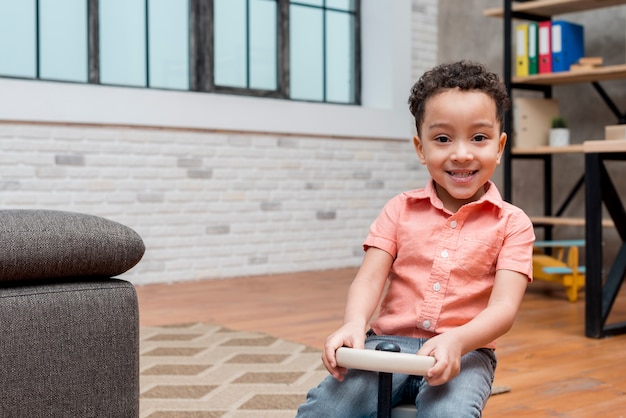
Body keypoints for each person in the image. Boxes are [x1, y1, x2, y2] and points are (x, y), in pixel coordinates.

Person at [295, 60, 535, 417]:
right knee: (325, 410)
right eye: (442, 139)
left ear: (499, 147)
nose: (462, 153)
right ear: (420, 148)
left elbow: (503, 309)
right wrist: (354, 323)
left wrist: (457, 340)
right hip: (385, 346)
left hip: (465, 351)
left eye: (479, 138)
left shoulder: (513, 224)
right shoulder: (399, 209)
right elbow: (370, 278)